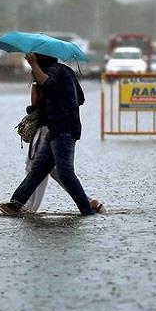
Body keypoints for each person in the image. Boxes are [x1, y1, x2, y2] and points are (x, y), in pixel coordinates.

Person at [0, 53, 95, 216]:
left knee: (65, 172)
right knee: (38, 170)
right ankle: (15, 205)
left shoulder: (56, 71)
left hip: (64, 129)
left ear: (41, 60)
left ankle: (87, 209)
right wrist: (53, 94)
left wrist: (33, 65)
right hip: (55, 129)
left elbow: (48, 83)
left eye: (36, 59)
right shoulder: (65, 72)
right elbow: (78, 98)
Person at [22, 75, 105, 214]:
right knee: (53, 170)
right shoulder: (59, 76)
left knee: (35, 166)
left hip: (48, 128)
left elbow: (36, 104)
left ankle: (28, 206)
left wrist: (35, 83)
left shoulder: (46, 78)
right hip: (56, 128)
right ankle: (89, 202)